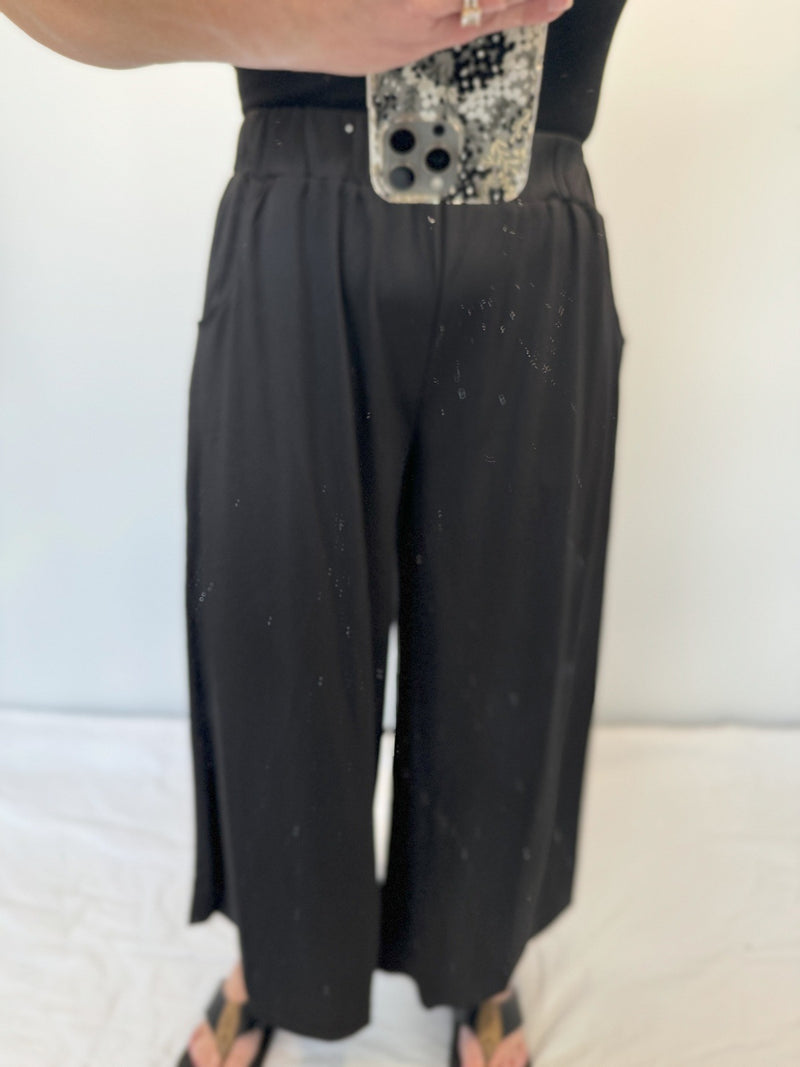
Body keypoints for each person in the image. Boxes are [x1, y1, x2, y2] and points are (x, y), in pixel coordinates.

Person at [2, 1, 627, 1064]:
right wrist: (285, 26)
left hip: (532, 194)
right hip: (299, 188)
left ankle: (478, 954)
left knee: (510, 633)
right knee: (278, 626)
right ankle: (279, 951)